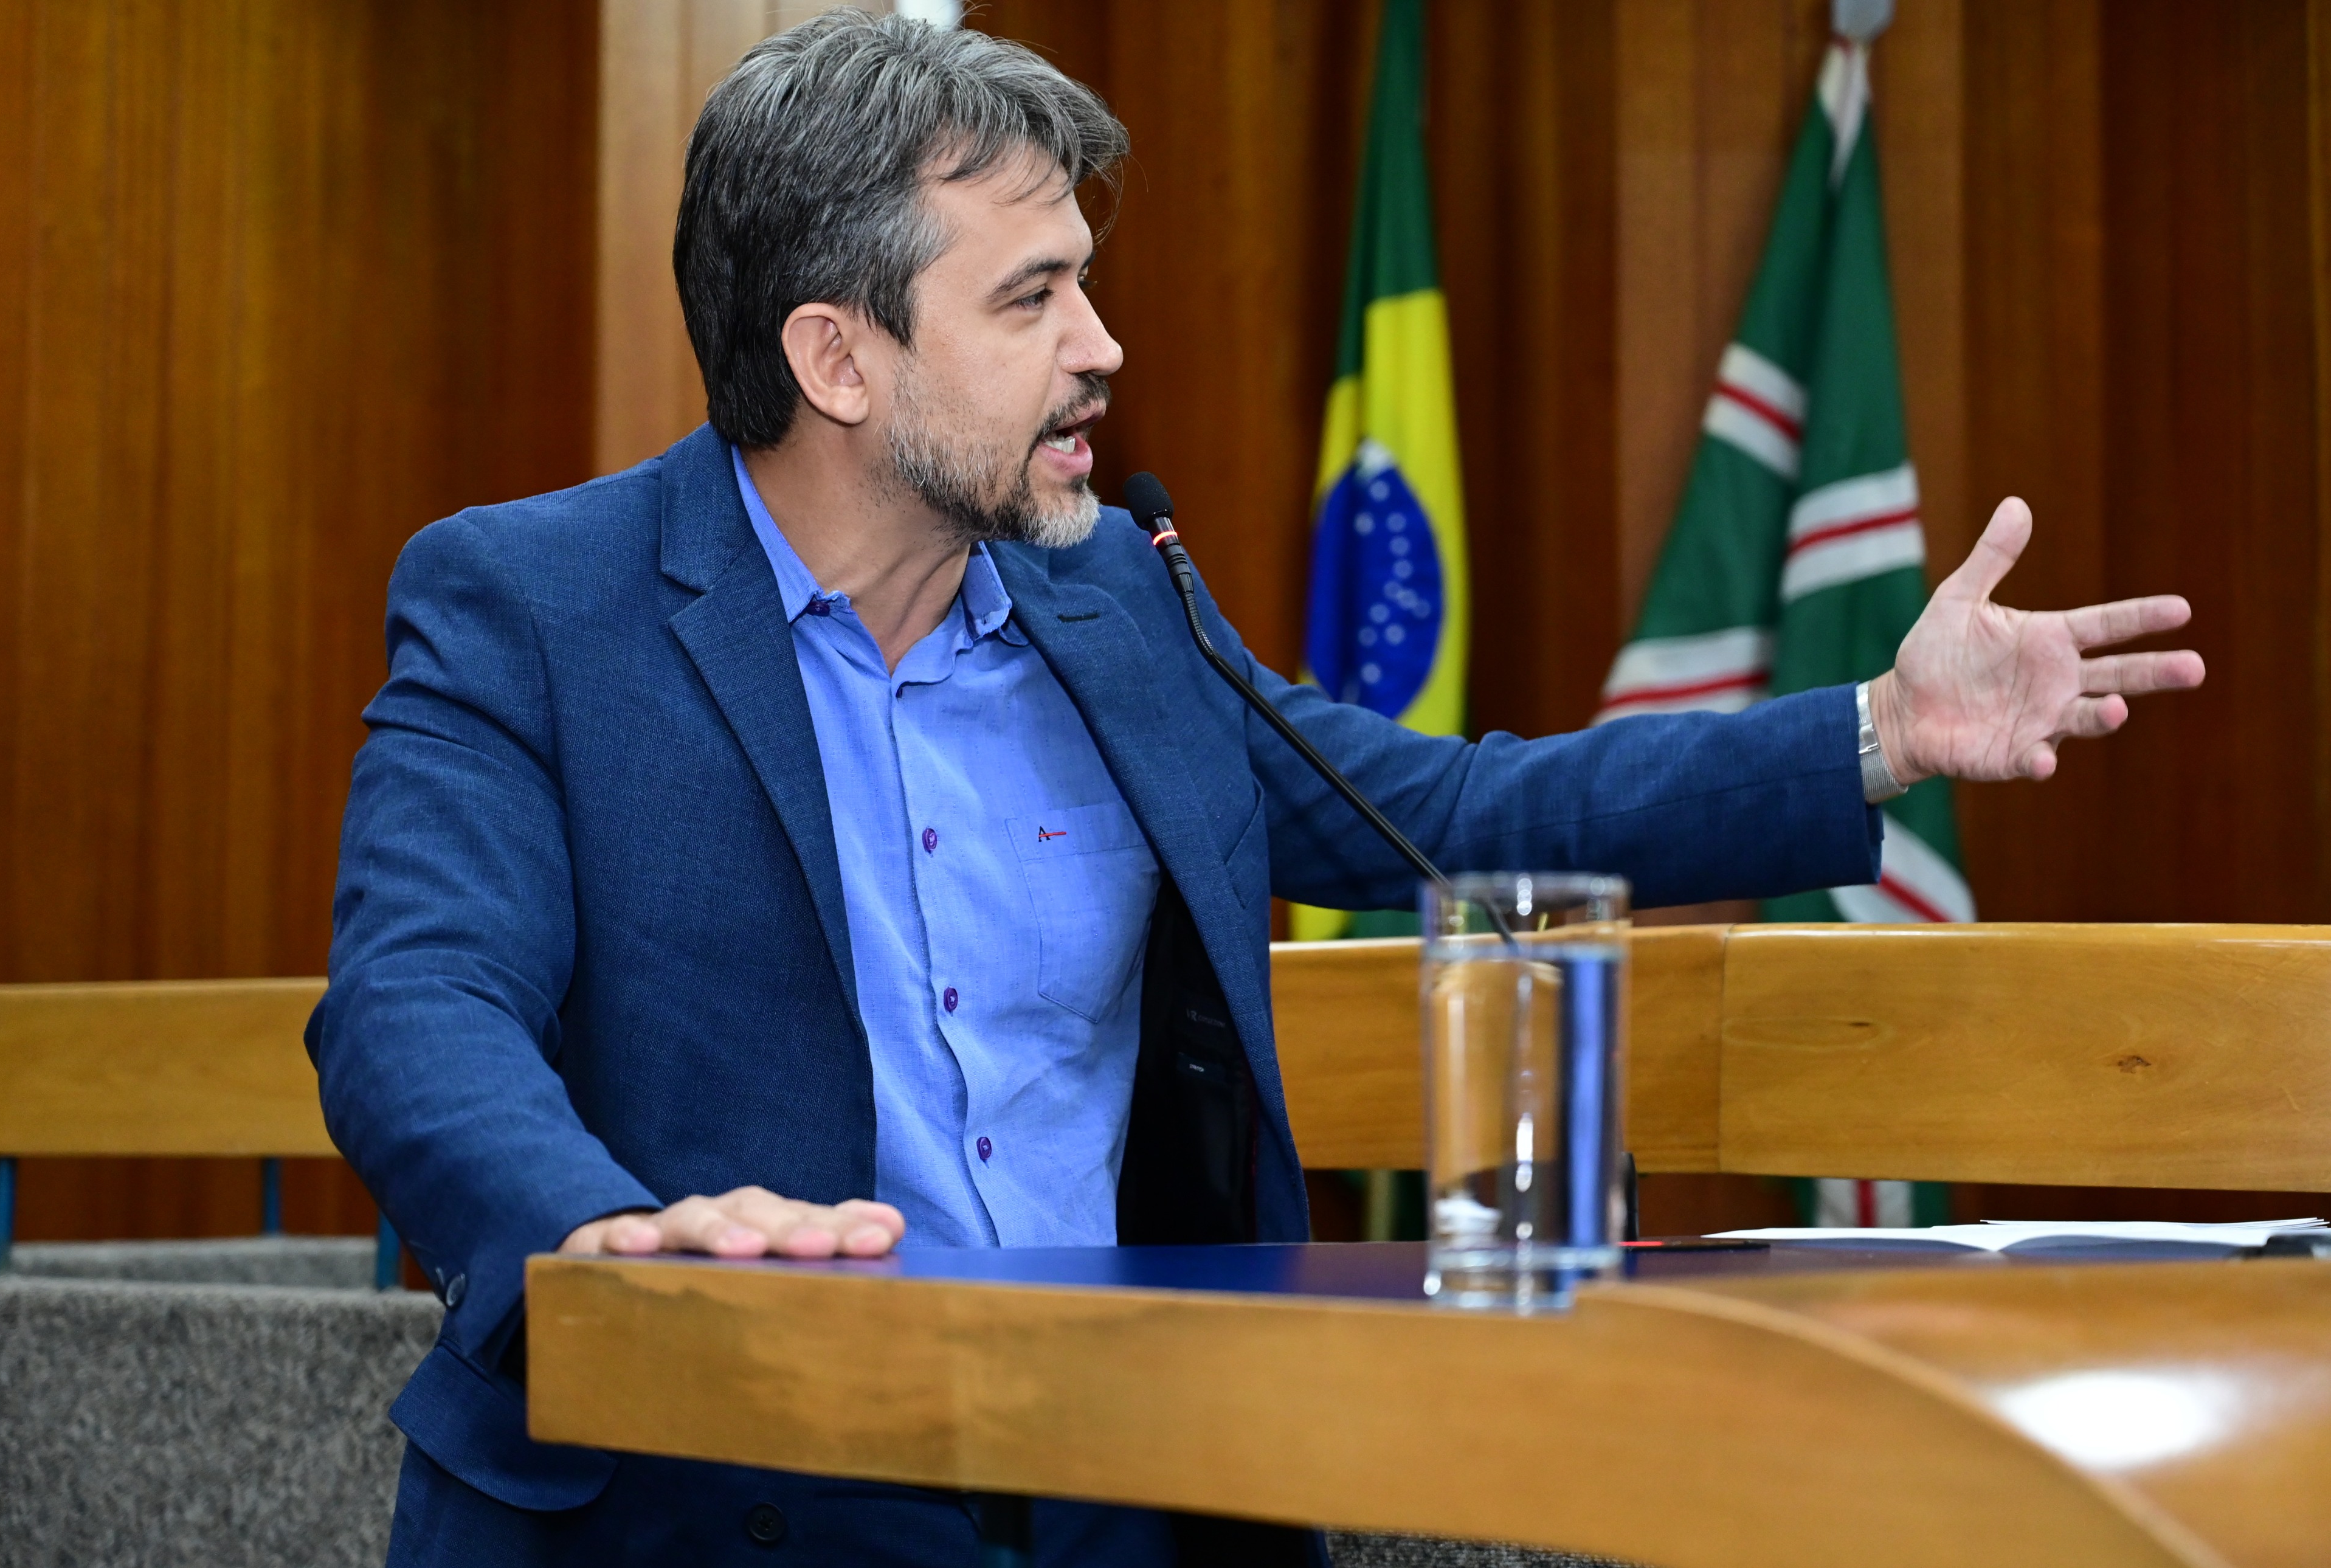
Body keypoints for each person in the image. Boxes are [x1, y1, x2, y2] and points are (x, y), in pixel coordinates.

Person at [309, 12, 2204, 1567]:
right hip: (699, 1498)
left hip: (1108, 1484)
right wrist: (606, 1247)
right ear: (838, 357)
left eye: (1088, 285)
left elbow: (1452, 814)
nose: (1102, 348)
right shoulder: (533, 607)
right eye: (1033, 298)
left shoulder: (1117, 606)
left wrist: (1880, 727)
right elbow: (414, 1005)